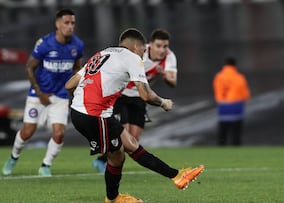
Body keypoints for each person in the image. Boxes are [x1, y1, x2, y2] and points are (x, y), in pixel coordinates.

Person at [65, 28, 204, 203]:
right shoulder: (131, 58)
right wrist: (163, 103)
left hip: (85, 112)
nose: (143, 54)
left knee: (131, 144)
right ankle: (113, 199)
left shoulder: (101, 54)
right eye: (143, 50)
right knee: (117, 157)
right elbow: (146, 95)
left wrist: (80, 102)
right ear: (137, 46)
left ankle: (177, 176)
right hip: (95, 115)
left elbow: (69, 85)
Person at [1, 9, 84, 177]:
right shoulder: (44, 43)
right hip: (38, 95)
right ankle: (13, 157)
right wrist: (40, 93)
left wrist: (75, 90)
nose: (70, 26)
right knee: (27, 132)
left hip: (60, 96)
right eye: (66, 23)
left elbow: (77, 68)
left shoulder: (77, 45)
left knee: (59, 134)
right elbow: (30, 67)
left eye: (72, 23)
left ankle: (45, 165)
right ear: (57, 24)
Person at [92, 28, 178, 173]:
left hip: (139, 98)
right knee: (123, 134)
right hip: (122, 94)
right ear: (150, 45)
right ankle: (104, 161)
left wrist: (163, 73)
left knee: (134, 140)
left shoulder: (169, 57)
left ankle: (105, 159)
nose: (162, 50)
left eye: (165, 46)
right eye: (158, 46)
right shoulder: (140, 54)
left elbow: (173, 81)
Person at [212, 57, 251, 146]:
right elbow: (245, 94)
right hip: (236, 106)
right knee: (236, 133)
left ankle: (221, 150)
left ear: (225, 65)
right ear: (235, 65)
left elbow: (216, 90)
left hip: (223, 106)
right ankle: (236, 151)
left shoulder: (218, 77)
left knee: (223, 132)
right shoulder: (239, 77)